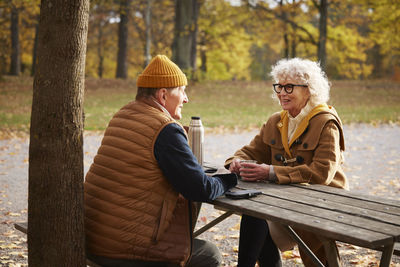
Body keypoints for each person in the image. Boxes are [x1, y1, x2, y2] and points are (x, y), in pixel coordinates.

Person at [84, 55, 237, 267]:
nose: (186, 99)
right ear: (163, 95)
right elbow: (200, 189)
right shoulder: (164, 129)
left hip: (93, 240)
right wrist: (229, 179)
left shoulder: (123, 114)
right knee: (210, 254)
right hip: (125, 251)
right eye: (182, 90)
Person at [225, 57, 349, 267]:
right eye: (279, 86)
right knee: (254, 213)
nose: (281, 92)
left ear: (308, 90)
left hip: (323, 205)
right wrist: (236, 162)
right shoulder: (276, 121)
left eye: (289, 87)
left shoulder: (326, 122)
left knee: (317, 255)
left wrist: (271, 172)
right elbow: (249, 151)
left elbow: (322, 173)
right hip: (287, 203)